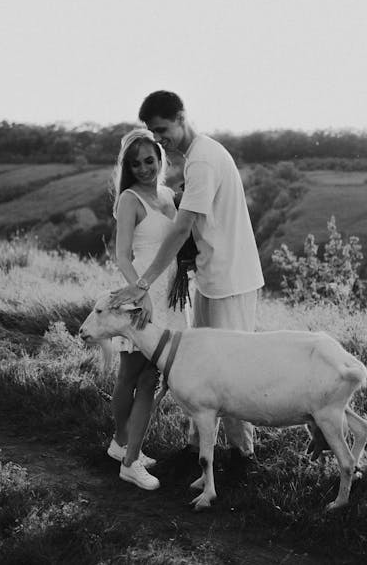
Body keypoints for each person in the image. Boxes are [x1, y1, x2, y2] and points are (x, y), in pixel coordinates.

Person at [109, 91, 264, 473]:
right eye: (152, 132)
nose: (160, 139)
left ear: (181, 117)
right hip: (211, 279)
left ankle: (241, 455)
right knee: (199, 364)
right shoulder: (196, 159)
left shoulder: (204, 161)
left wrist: (143, 284)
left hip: (230, 278)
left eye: (162, 130)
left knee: (229, 368)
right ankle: (199, 445)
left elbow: (181, 230)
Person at [108, 128, 188, 491]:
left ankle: (124, 445)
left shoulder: (169, 195)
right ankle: (127, 455)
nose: (143, 168)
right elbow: (122, 255)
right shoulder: (129, 199)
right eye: (135, 163)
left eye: (149, 160)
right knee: (136, 375)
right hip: (142, 290)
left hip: (169, 292)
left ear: (160, 158)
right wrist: (140, 293)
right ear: (127, 166)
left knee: (149, 377)